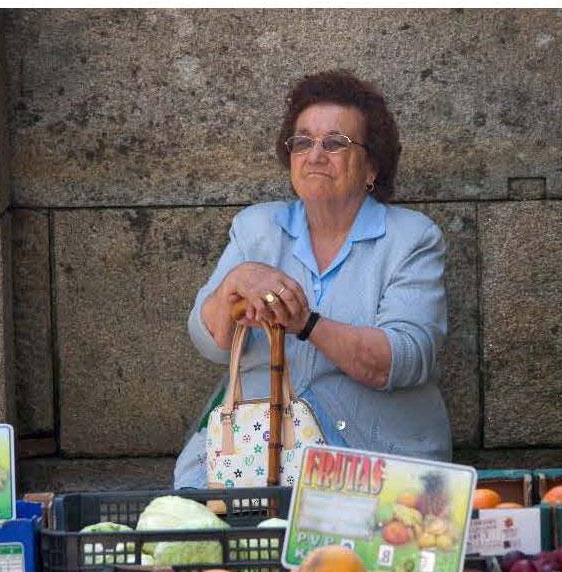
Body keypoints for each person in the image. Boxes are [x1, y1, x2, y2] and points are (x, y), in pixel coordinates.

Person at [173, 70, 451, 488]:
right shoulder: (257, 228)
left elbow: (404, 359)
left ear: (371, 165)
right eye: (302, 142)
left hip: (373, 469)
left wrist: (307, 323)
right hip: (248, 464)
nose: (315, 155)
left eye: (335, 143)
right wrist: (234, 282)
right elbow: (208, 341)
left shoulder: (411, 238)